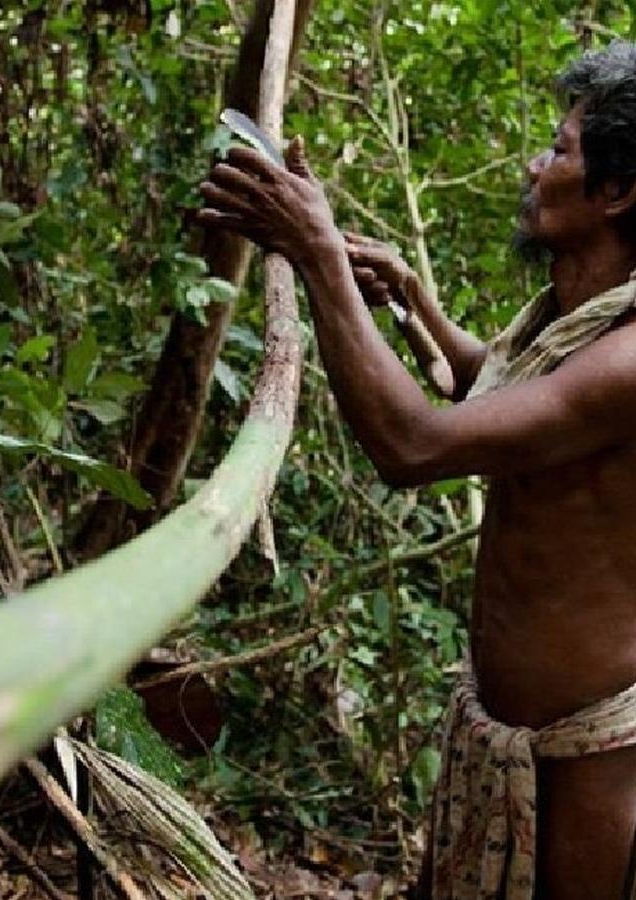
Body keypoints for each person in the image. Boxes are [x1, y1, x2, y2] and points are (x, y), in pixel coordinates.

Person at [198, 41, 636, 900]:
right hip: (509, 734)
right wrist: (407, 298)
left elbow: (416, 445)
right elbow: (497, 395)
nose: (534, 164)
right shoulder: (574, 317)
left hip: (590, 760)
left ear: (618, 192)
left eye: (559, 151)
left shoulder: (630, 360)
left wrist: (317, 253)